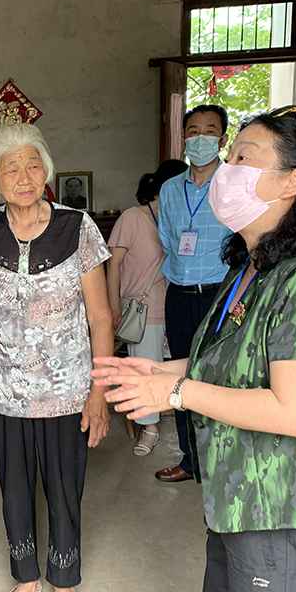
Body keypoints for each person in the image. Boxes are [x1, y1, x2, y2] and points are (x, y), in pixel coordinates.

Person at [94, 107, 296, 592]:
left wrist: (176, 392)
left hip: (285, 509)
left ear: (294, 182)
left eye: (244, 158)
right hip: (237, 498)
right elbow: (225, 365)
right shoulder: (251, 267)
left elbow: (294, 411)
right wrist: (161, 370)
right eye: (229, 155)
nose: (226, 169)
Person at [0, 122, 113, 592]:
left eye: (32, 164)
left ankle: (64, 584)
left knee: (65, 489)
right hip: (2, 390)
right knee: (14, 489)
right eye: (11, 168)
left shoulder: (78, 227)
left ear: (46, 168)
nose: (24, 177)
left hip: (67, 390)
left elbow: (100, 317)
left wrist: (99, 393)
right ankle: (25, 579)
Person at [156, 105, 233, 483]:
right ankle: (191, 460)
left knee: (222, 377)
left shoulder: (234, 184)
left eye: (209, 130)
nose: (200, 138)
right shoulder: (170, 189)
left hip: (221, 295)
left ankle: (224, 461)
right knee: (182, 376)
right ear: (183, 137)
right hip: (179, 294)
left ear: (222, 139)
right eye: (192, 131)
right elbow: (167, 239)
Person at [107, 159, 187, 455]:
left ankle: (175, 418)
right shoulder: (133, 217)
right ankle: (149, 428)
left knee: (175, 368)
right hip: (142, 309)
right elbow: (113, 266)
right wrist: (113, 306)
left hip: (176, 304)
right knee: (145, 370)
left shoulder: (178, 218)